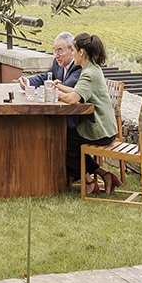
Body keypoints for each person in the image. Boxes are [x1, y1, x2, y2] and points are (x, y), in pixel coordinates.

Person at [53, 33, 120, 194]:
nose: (73, 53)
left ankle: (89, 182)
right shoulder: (93, 69)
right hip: (106, 128)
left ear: (81, 52)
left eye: (73, 50)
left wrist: (55, 93)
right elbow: (79, 91)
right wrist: (60, 86)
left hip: (100, 130)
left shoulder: (89, 73)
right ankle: (104, 175)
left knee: (64, 142)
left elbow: (72, 98)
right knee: (69, 139)